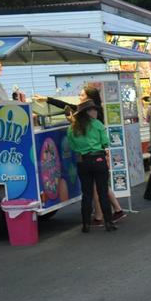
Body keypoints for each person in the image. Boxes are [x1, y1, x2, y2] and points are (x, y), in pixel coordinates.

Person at [66, 100, 115, 234]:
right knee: (102, 192)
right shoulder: (97, 124)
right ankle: (109, 223)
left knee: (86, 194)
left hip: (83, 161)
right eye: (94, 110)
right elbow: (105, 142)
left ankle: (86, 225)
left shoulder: (72, 128)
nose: (96, 112)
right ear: (87, 112)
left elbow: (73, 147)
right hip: (98, 159)